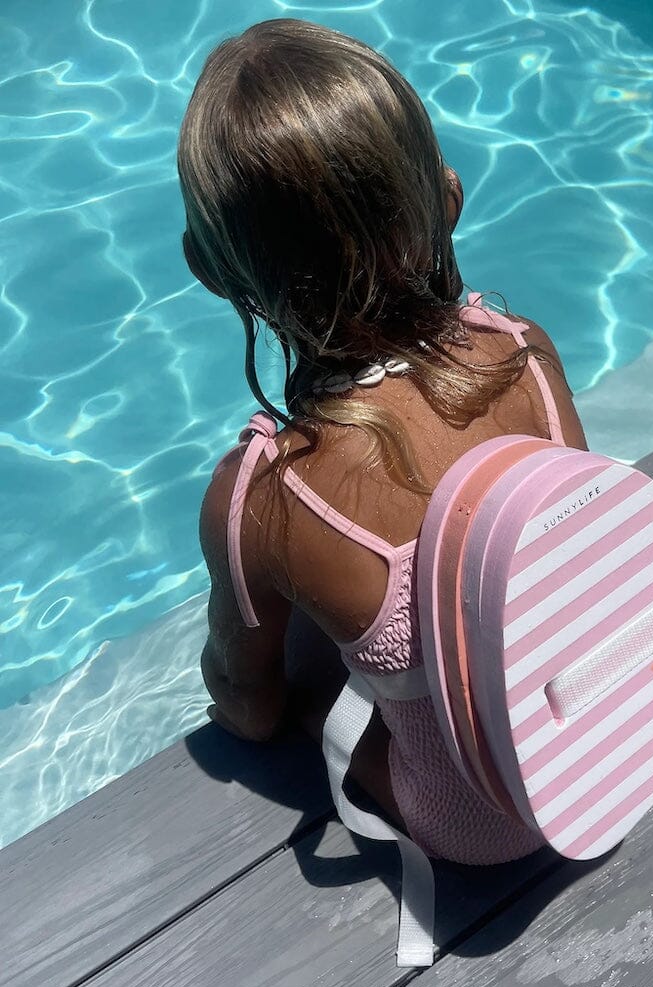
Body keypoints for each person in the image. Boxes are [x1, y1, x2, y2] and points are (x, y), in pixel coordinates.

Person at [178, 18, 588, 865]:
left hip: (487, 826)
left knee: (302, 668)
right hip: (610, 729)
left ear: (210, 272)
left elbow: (247, 705)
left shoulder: (266, 496)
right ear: (448, 199)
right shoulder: (530, 355)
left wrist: (262, 699)